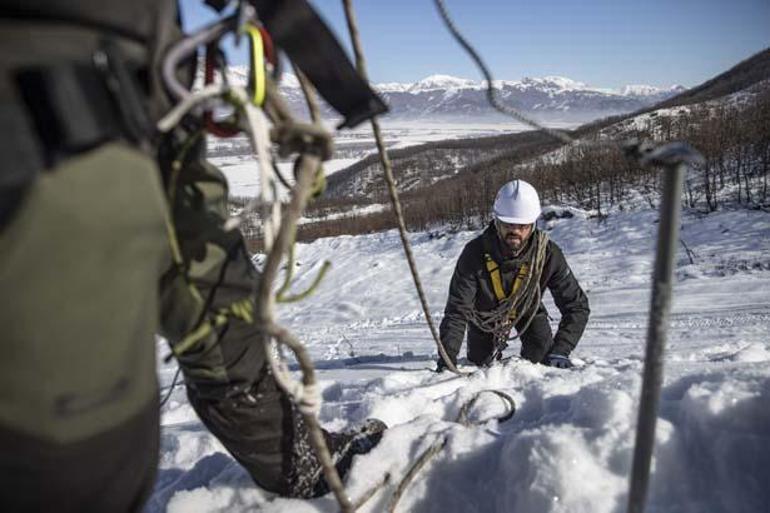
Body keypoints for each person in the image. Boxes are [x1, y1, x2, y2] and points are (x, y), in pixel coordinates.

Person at [0, 1, 383, 511]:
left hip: (148, 89)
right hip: (37, 101)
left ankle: (297, 463)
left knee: (223, 302)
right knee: (74, 439)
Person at [437, 179, 590, 371]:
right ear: (496, 221)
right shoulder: (475, 253)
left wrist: (561, 350)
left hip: (528, 310)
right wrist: (447, 361)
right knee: (479, 362)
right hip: (485, 318)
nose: (515, 232)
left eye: (523, 226)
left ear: (533, 224)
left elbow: (576, 306)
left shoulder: (548, 254)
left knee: (542, 357)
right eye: (508, 225)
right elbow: (457, 311)